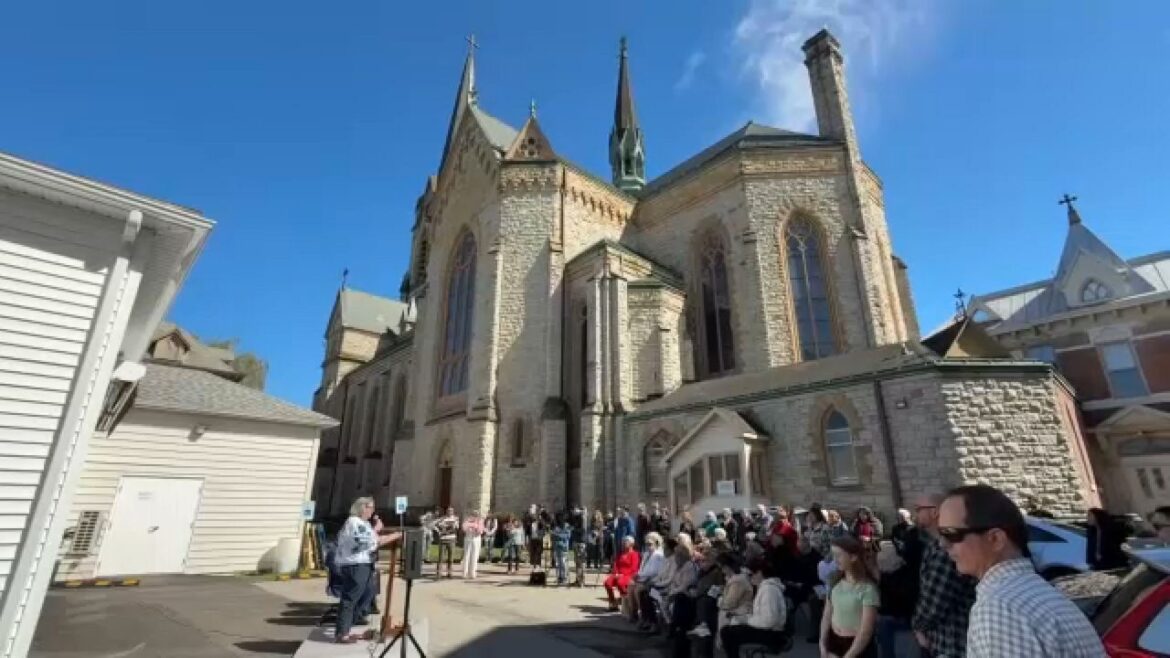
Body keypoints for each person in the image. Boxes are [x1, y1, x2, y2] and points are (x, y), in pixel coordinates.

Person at [939, 484, 1105, 658]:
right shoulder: (1036, 592)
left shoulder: (1000, 608)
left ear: (995, 539)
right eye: (940, 533)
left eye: (951, 534)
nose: (942, 544)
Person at [911, 493, 976, 658]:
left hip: (952, 643)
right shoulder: (934, 544)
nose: (914, 514)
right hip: (943, 640)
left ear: (934, 512)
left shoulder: (945, 551)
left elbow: (934, 602)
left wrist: (918, 626)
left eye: (918, 509)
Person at [333, 497, 399, 644]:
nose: (373, 511)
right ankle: (342, 633)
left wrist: (376, 529)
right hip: (355, 565)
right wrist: (395, 535)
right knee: (350, 597)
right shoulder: (353, 522)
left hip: (365, 564)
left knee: (369, 592)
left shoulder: (364, 524)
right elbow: (370, 542)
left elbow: (370, 537)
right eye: (371, 507)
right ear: (362, 508)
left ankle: (349, 623)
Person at [820, 536, 879, 658]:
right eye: (833, 555)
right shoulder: (834, 581)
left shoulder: (868, 589)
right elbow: (827, 615)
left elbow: (865, 632)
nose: (835, 560)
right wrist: (822, 644)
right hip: (834, 642)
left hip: (857, 647)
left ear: (853, 557)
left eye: (839, 555)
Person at [721, 560, 789, 656]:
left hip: (772, 634)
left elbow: (769, 620)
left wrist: (748, 620)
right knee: (729, 630)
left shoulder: (769, 590)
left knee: (727, 633)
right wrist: (744, 618)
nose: (749, 577)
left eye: (751, 574)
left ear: (760, 573)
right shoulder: (764, 588)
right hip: (768, 630)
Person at [629, 532, 665, 622]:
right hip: (643, 578)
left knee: (638, 590)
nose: (648, 546)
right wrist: (638, 575)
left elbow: (654, 571)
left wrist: (640, 575)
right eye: (646, 544)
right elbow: (642, 568)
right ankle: (634, 613)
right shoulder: (646, 554)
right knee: (630, 586)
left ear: (656, 543)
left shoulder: (659, 555)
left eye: (650, 544)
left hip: (653, 580)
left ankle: (644, 616)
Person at [605, 536, 641, 611]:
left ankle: (626, 601)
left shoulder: (635, 554)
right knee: (607, 582)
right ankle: (613, 603)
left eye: (626, 542)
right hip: (618, 574)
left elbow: (634, 568)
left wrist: (622, 575)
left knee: (620, 583)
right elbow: (616, 565)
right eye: (623, 541)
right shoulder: (621, 554)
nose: (624, 543)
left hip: (629, 575)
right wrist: (616, 573)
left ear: (631, 544)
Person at [434, 507, 459, 578]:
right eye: (448, 511)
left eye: (451, 511)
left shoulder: (455, 519)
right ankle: (439, 573)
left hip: (451, 539)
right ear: (446, 511)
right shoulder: (442, 518)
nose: (450, 512)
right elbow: (434, 525)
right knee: (441, 557)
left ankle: (449, 573)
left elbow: (456, 527)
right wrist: (438, 531)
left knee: (451, 557)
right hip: (443, 539)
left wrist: (453, 525)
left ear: (453, 512)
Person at [460, 511, 484, 579]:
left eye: (476, 515)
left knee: (475, 556)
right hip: (468, 538)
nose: (475, 516)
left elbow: (480, 531)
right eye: (474, 514)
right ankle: (464, 572)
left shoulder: (480, 521)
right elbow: (464, 528)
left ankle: (472, 573)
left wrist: (474, 527)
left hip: (476, 539)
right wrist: (472, 527)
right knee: (466, 555)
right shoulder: (467, 520)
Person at [551, 513, 573, 586]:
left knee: (563, 563)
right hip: (557, 547)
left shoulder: (567, 526)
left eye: (561, 518)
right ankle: (559, 577)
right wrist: (556, 535)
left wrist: (558, 535)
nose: (560, 519)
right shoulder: (556, 527)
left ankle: (564, 577)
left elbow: (568, 536)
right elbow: (553, 536)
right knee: (558, 563)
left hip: (564, 547)